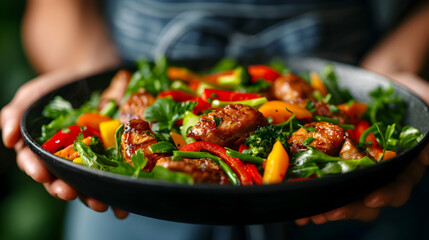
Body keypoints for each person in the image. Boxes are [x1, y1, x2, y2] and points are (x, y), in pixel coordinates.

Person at [2, 0, 429, 239]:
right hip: (136, 214)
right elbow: (57, 11)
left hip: (352, 213)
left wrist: (392, 68)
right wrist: (92, 72)